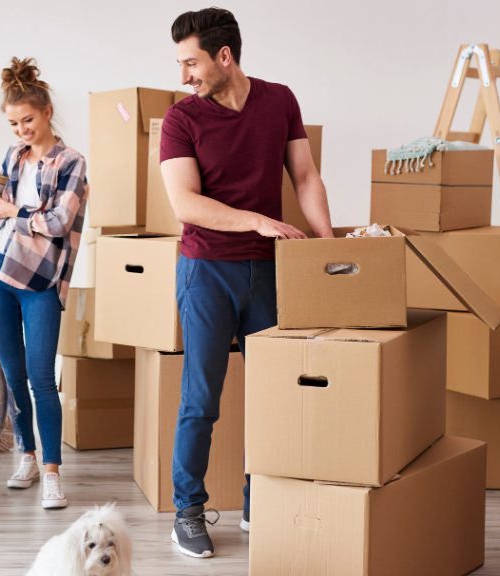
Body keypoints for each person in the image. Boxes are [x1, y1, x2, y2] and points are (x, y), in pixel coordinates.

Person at [159, 8, 334, 558]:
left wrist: (329, 245)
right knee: (201, 399)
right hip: (207, 270)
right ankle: (187, 511)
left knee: (273, 396)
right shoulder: (180, 118)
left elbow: (304, 175)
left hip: (270, 273)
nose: (184, 74)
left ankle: (261, 501)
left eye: (191, 62)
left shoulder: (279, 100)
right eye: (181, 63)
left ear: (224, 56)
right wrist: (256, 219)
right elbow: (185, 202)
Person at [0, 57, 88, 508]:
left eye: (28, 120)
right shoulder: (13, 157)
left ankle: (52, 473)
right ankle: (26, 454)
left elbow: (60, 222)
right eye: (13, 123)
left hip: (39, 279)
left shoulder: (71, 162)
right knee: (12, 373)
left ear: (45, 113)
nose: (21, 129)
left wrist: (14, 214)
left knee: (42, 377)